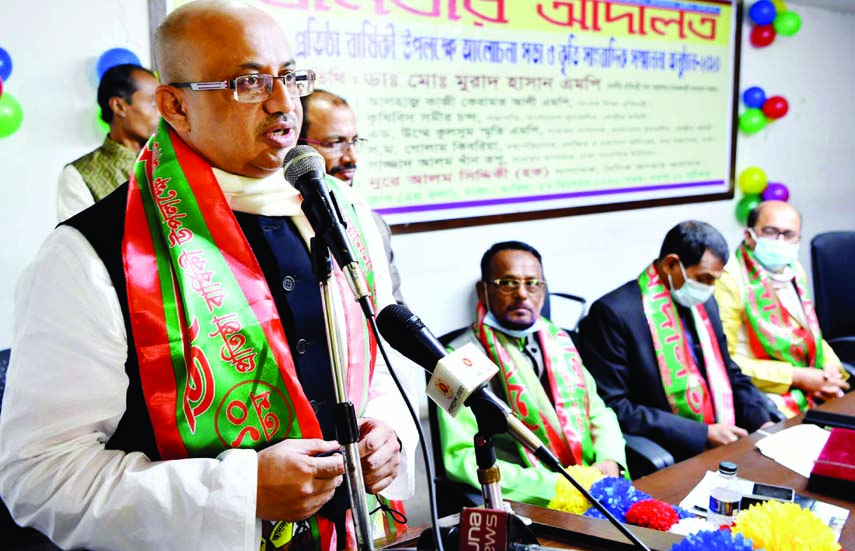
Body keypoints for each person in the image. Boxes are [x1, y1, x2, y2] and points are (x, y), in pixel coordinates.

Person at [0, 2, 417, 550]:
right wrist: (239, 491)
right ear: (174, 104)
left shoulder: (341, 213)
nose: (283, 103)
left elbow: (381, 369)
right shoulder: (90, 252)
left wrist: (386, 433)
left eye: (290, 77)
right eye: (248, 82)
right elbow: (40, 476)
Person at [437, 241, 627, 508]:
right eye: (507, 283)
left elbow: (598, 411)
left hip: (592, 484)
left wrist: (610, 460)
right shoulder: (458, 358)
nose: (522, 294)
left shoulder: (560, 341)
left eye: (533, 284)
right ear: (484, 291)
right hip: (528, 501)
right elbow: (461, 458)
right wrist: (556, 486)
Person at [580, 221, 773, 463]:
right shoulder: (614, 313)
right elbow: (614, 406)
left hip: (726, 438)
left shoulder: (704, 303)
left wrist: (763, 422)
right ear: (672, 264)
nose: (710, 289)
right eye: (703, 278)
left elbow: (730, 372)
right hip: (672, 448)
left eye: (715, 280)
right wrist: (702, 433)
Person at [715, 201, 849, 417]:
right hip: (761, 389)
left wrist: (830, 369)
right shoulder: (729, 278)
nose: (780, 241)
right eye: (770, 232)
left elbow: (810, 334)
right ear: (749, 235)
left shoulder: (794, 270)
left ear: (798, 240)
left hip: (809, 377)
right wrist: (798, 376)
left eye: (788, 235)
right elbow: (724, 361)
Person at [299, 89, 405, 304]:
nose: (352, 157)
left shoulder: (372, 224)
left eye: (354, 141)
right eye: (335, 143)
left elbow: (396, 306)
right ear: (297, 148)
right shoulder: (279, 225)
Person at [56, 63, 159, 221]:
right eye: (153, 103)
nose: (162, 112)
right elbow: (77, 242)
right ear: (119, 106)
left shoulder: (170, 160)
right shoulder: (79, 174)